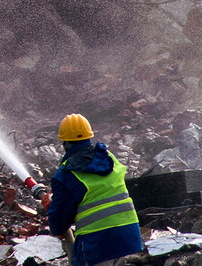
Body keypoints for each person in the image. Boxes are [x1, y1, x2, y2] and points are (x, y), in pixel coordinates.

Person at [47, 114, 143, 266]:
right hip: (127, 235)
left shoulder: (66, 174)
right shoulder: (108, 157)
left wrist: (52, 207)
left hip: (97, 243)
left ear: (64, 143)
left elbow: (59, 224)